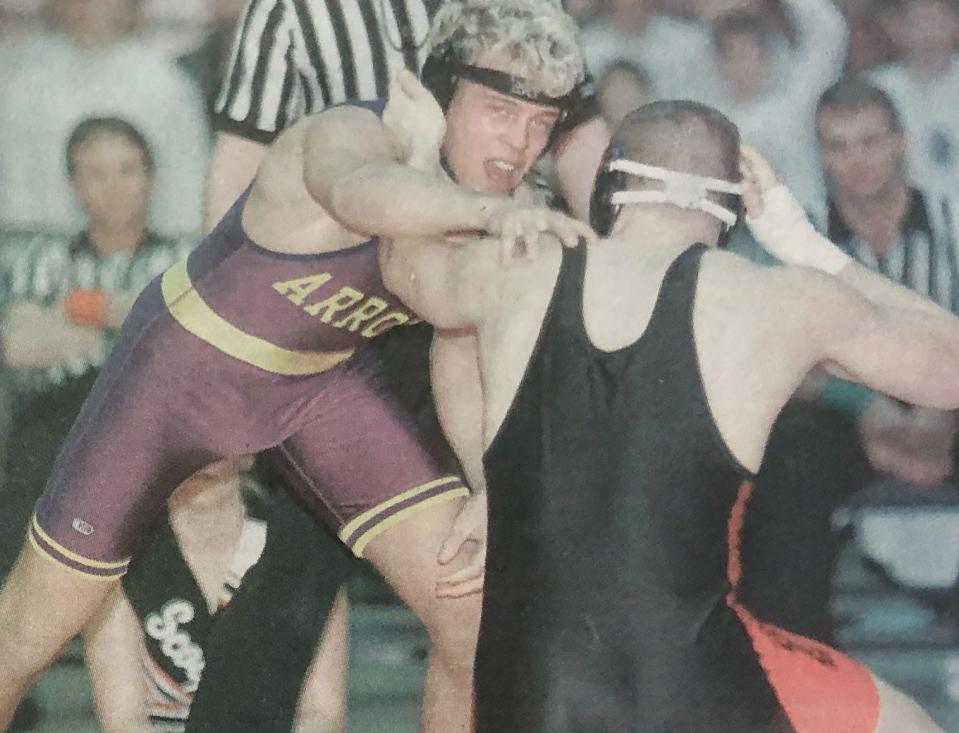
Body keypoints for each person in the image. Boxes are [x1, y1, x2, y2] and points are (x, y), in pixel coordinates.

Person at [0, 1, 595, 730]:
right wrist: (488, 214)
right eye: (500, 109)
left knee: (471, 613)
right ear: (440, 93)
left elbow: (456, 344)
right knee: (26, 632)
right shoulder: (351, 129)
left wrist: (482, 481)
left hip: (321, 388)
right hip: (182, 373)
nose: (520, 143)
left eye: (541, 123)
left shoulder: (484, 204)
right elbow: (358, 193)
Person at [378, 91, 954, 729]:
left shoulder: (511, 270)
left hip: (525, 701)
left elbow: (403, 263)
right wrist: (807, 244)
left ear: (607, 186)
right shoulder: (779, 300)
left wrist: (418, 152)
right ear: (735, 202)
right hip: (695, 693)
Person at [207, 0, 608, 228]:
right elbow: (239, 164)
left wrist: (626, 254)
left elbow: (579, 137)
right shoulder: (296, 9)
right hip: (349, 265)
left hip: (489, 246)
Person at [83, 456, 350, 733]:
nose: (199, 455)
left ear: (249, 448)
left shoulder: (303, 557)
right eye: (185, 432)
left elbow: (323, 716)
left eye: (213, 430)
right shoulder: (119, 562)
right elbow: (123, 721)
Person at [0, 0, 209, 236]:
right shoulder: (23, 82)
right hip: (37, 256)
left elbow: (185, 197)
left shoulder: (165, 85)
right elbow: (13, 193)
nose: (83, 6)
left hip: (142, 261)